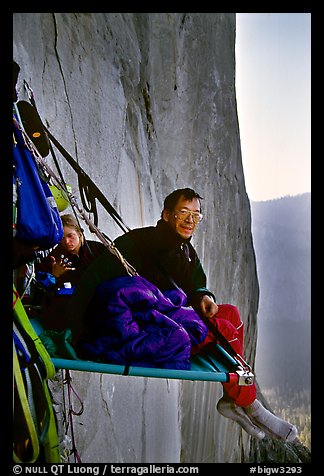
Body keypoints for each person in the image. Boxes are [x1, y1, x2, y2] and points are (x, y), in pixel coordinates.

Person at [112, 188, 298, 442]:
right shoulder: (150, 245)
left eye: (196, 215)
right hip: (156, 331)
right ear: (167, 215)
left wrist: (204, 296)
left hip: (170, 317)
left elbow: (195, 282)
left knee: (230, 314)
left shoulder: (182, 248)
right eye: (183, 213)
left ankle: (234, 398)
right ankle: (249, 404)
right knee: (226, 331)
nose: (191, 220)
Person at [34, 213, 106, 330]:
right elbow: (41, 291)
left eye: (70, 236)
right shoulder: (54, 258)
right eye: (62, 238)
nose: (67, 242)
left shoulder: (97, 250)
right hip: (72, 310)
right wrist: (54, 276)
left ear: (79, 233)